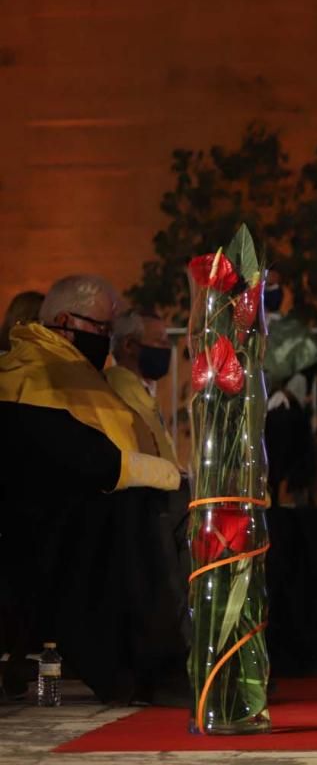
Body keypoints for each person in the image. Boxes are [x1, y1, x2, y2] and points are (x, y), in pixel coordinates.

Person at [0, 275, 184, 704]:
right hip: (55, 529)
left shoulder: (81, 370)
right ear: (65, 320)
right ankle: (156, 663)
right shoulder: (35, 373)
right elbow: (65, 459)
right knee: (148, 516)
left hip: (108, 500)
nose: (107, 340)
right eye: (101, 329)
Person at [262, 273, 317, 506]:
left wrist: (287, 394)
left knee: (284, 423)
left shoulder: (295, 330)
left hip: (283, 405)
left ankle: (279, 493)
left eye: (275, 285)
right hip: (247, 403)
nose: (270, 290)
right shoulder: (241, 331)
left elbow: (306, 370)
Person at [105, 309, 178, 464]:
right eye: (159, 341)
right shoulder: (121, 390)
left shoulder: (143, 390)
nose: (166, 347)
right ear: (129, 345)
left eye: (166, 341)